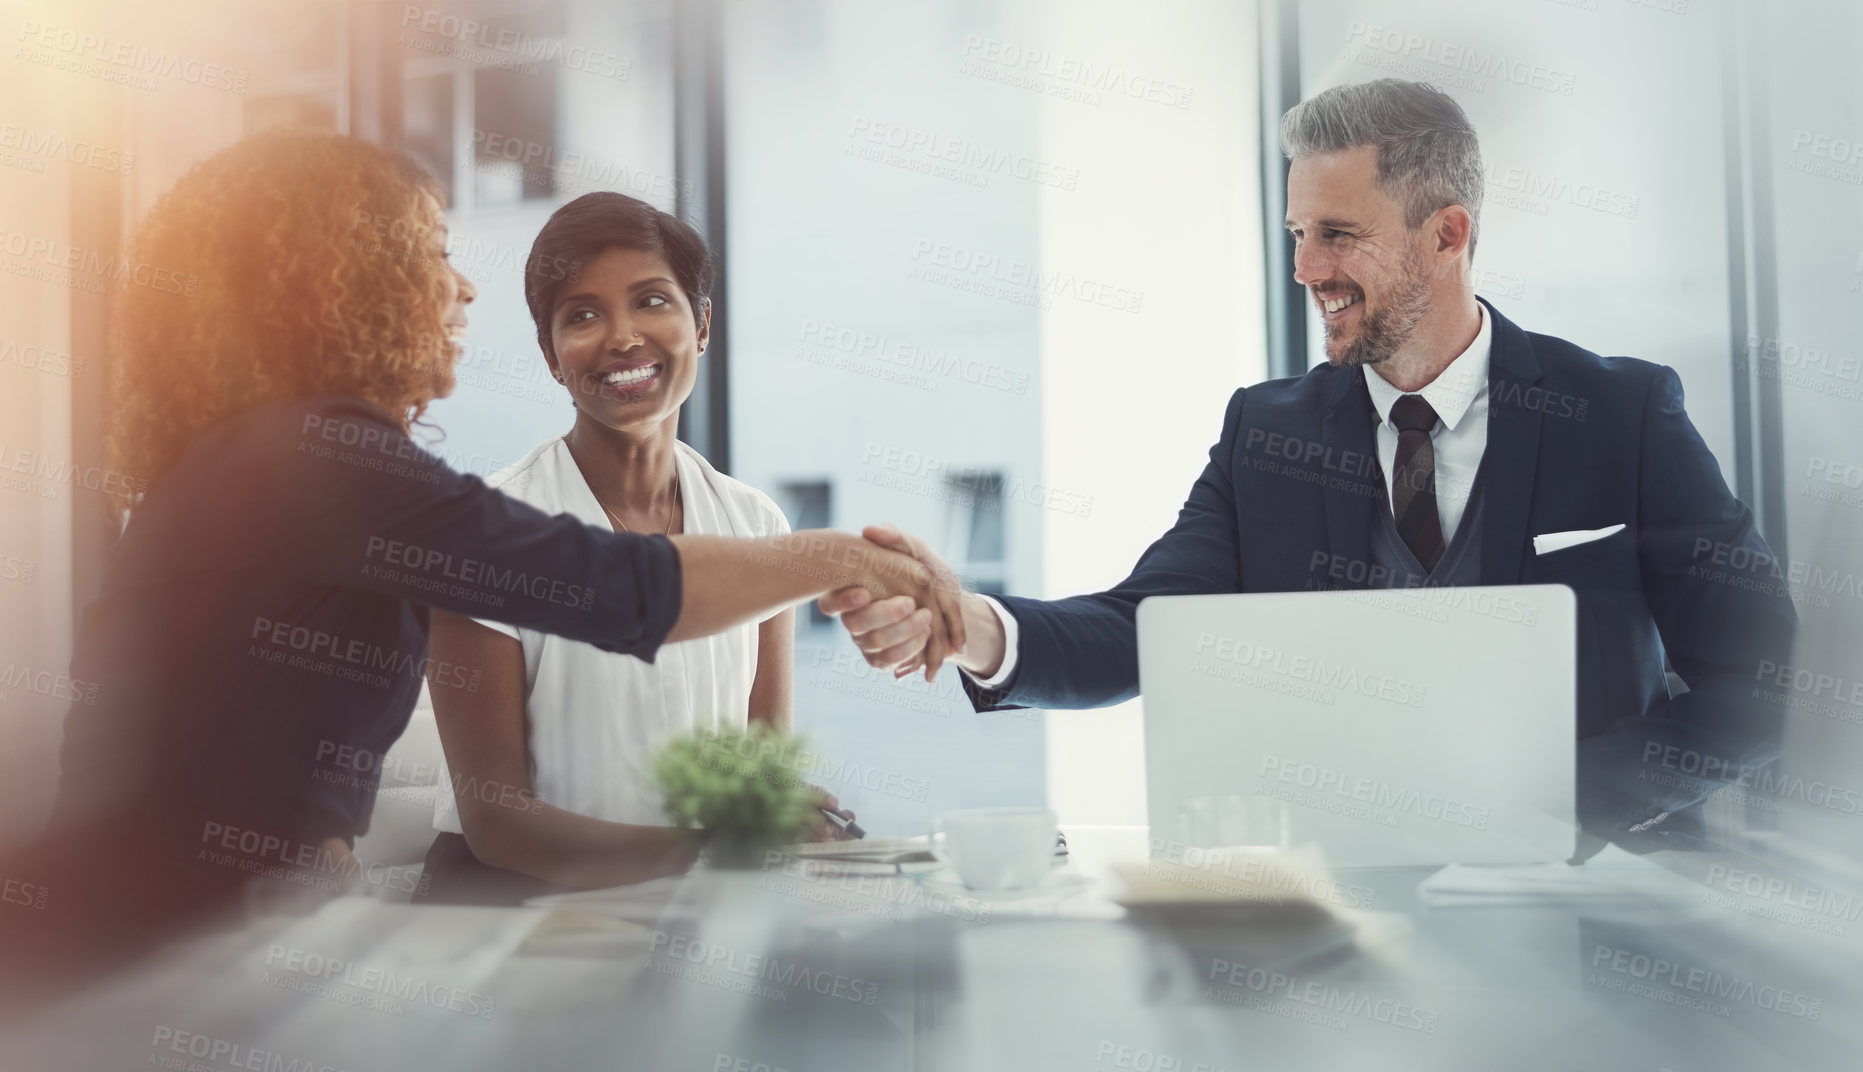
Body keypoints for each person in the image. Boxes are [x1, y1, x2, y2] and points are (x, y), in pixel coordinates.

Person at [0, 130, 961, 989]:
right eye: (431, 257)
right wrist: (842, 555)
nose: (460, 289)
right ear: (344, 282)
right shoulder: (316, 457)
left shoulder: (262, 451)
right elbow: (614, 586)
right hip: (144, 960)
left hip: (165, 934)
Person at [823, 79, 1798, 848]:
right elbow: (1141, 626)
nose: (1305, 271)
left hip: (1584, 925)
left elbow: (1755, 675)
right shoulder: (1267, 433)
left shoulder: (1619, 413)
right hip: (1340, 936)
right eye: (1297, 234)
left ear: (1447, 234)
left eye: (1337, 235)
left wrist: (1570, 810)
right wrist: (974, 625)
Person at [418, 193, 840, 901]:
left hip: (680, 909)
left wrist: (786, 811)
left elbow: (758, 771)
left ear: (701, 325)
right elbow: (496, 823)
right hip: (507, 911)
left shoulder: (756, 524)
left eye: (651, 301)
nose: (621, 337)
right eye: (581, 315)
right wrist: (708, 852)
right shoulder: (487, 529)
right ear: (551, 356)